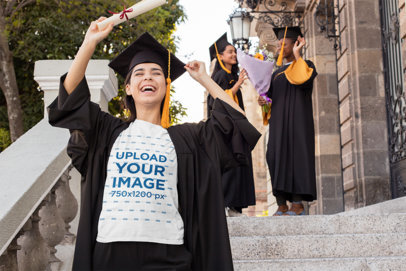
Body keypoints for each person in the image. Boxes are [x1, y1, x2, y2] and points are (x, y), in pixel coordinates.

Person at [48, 18, 261, 270]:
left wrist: (205, 78)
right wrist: (89, 43)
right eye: (139, 73)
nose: (147, 77)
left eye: (156, 73)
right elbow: (70, 99)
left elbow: (236, 124)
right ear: (128, 88)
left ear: (165, 86)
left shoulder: (188, 138)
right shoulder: (107, 132)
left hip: (168, 252)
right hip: (110, 251)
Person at [258, 26, 318, 216]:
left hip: (299, 124)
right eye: (278, 44)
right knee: (273, 156)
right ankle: (281, 204)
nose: (279, 47)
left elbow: (302, 79)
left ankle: (297, 204)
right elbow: (270, 101)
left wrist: (298, 54)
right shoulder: (276, 74)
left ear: (295, 44)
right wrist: (264, 101)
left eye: (284, 44)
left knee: (297, 157)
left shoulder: (306, 66)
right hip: (279, 124)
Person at [207, 33, 256, 217]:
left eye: (234, 52)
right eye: (229, 52)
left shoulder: (231, 75)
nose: (234, 55)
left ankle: (236, 206)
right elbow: (219, 100)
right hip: (226, 130)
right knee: (231, 165)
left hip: (237, 128)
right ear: (219, 56)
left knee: (240, 165)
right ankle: (229, 205)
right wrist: (237, 84)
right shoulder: (220, 76)